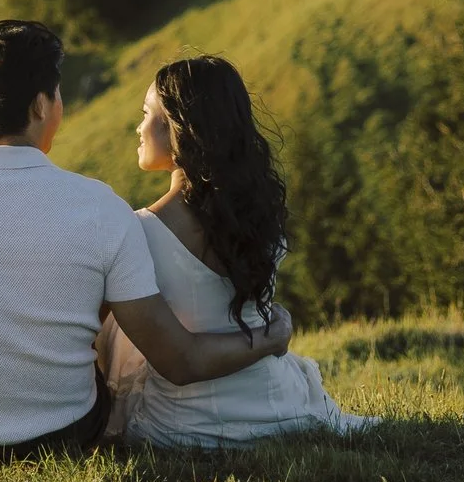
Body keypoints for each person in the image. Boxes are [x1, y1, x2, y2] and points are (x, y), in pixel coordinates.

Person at [0, 20, 295, 462]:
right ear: (42, 105)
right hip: (67, 437)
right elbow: (179, 358)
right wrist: (269, 337)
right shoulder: (102, 208)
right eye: (57, 93)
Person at [100, 55, 372, 447]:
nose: (139, 128)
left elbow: (178, 361)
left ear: (177, 129)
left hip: (182, 425)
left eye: (146, 114)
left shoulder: (138, 230)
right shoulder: (260, 216)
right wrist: (271, 338)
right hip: (279, 407)